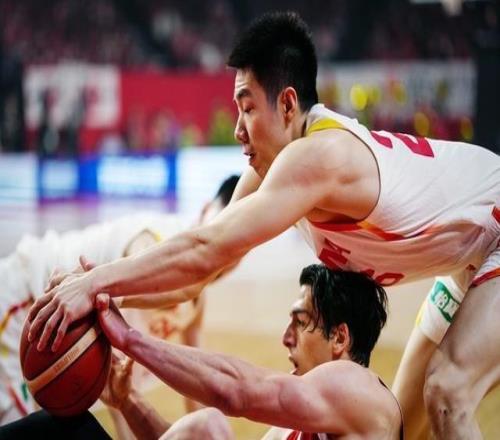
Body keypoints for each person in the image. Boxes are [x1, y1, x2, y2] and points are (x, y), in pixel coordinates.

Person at [28, 11, 500, 439]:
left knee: (447, 392)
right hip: (467, 255)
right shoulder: (273, 167)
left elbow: (206, 248)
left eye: (247, 107)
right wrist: (104, 300)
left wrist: (94, 283)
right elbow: (198, 276)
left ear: (288, 104)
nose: (238, 128)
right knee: (406, 426)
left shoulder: (321, 156)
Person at [0, 265, 402, 439]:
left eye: (300, 321)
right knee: (66, 429)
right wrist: (128, 402)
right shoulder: (293, 428)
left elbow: (236, 391)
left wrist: (129, 338)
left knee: (208, 425)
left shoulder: (360, 390)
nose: (285, 337)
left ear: (340, 338)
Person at [0, 174, 239, 425]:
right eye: (218, 235)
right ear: (204, 209)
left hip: (49, 330)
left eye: (234, 252)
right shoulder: (157, 240)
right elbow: (114, 364)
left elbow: (196, 381)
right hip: (22, 301)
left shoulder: (194, 296)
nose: (224, 258)